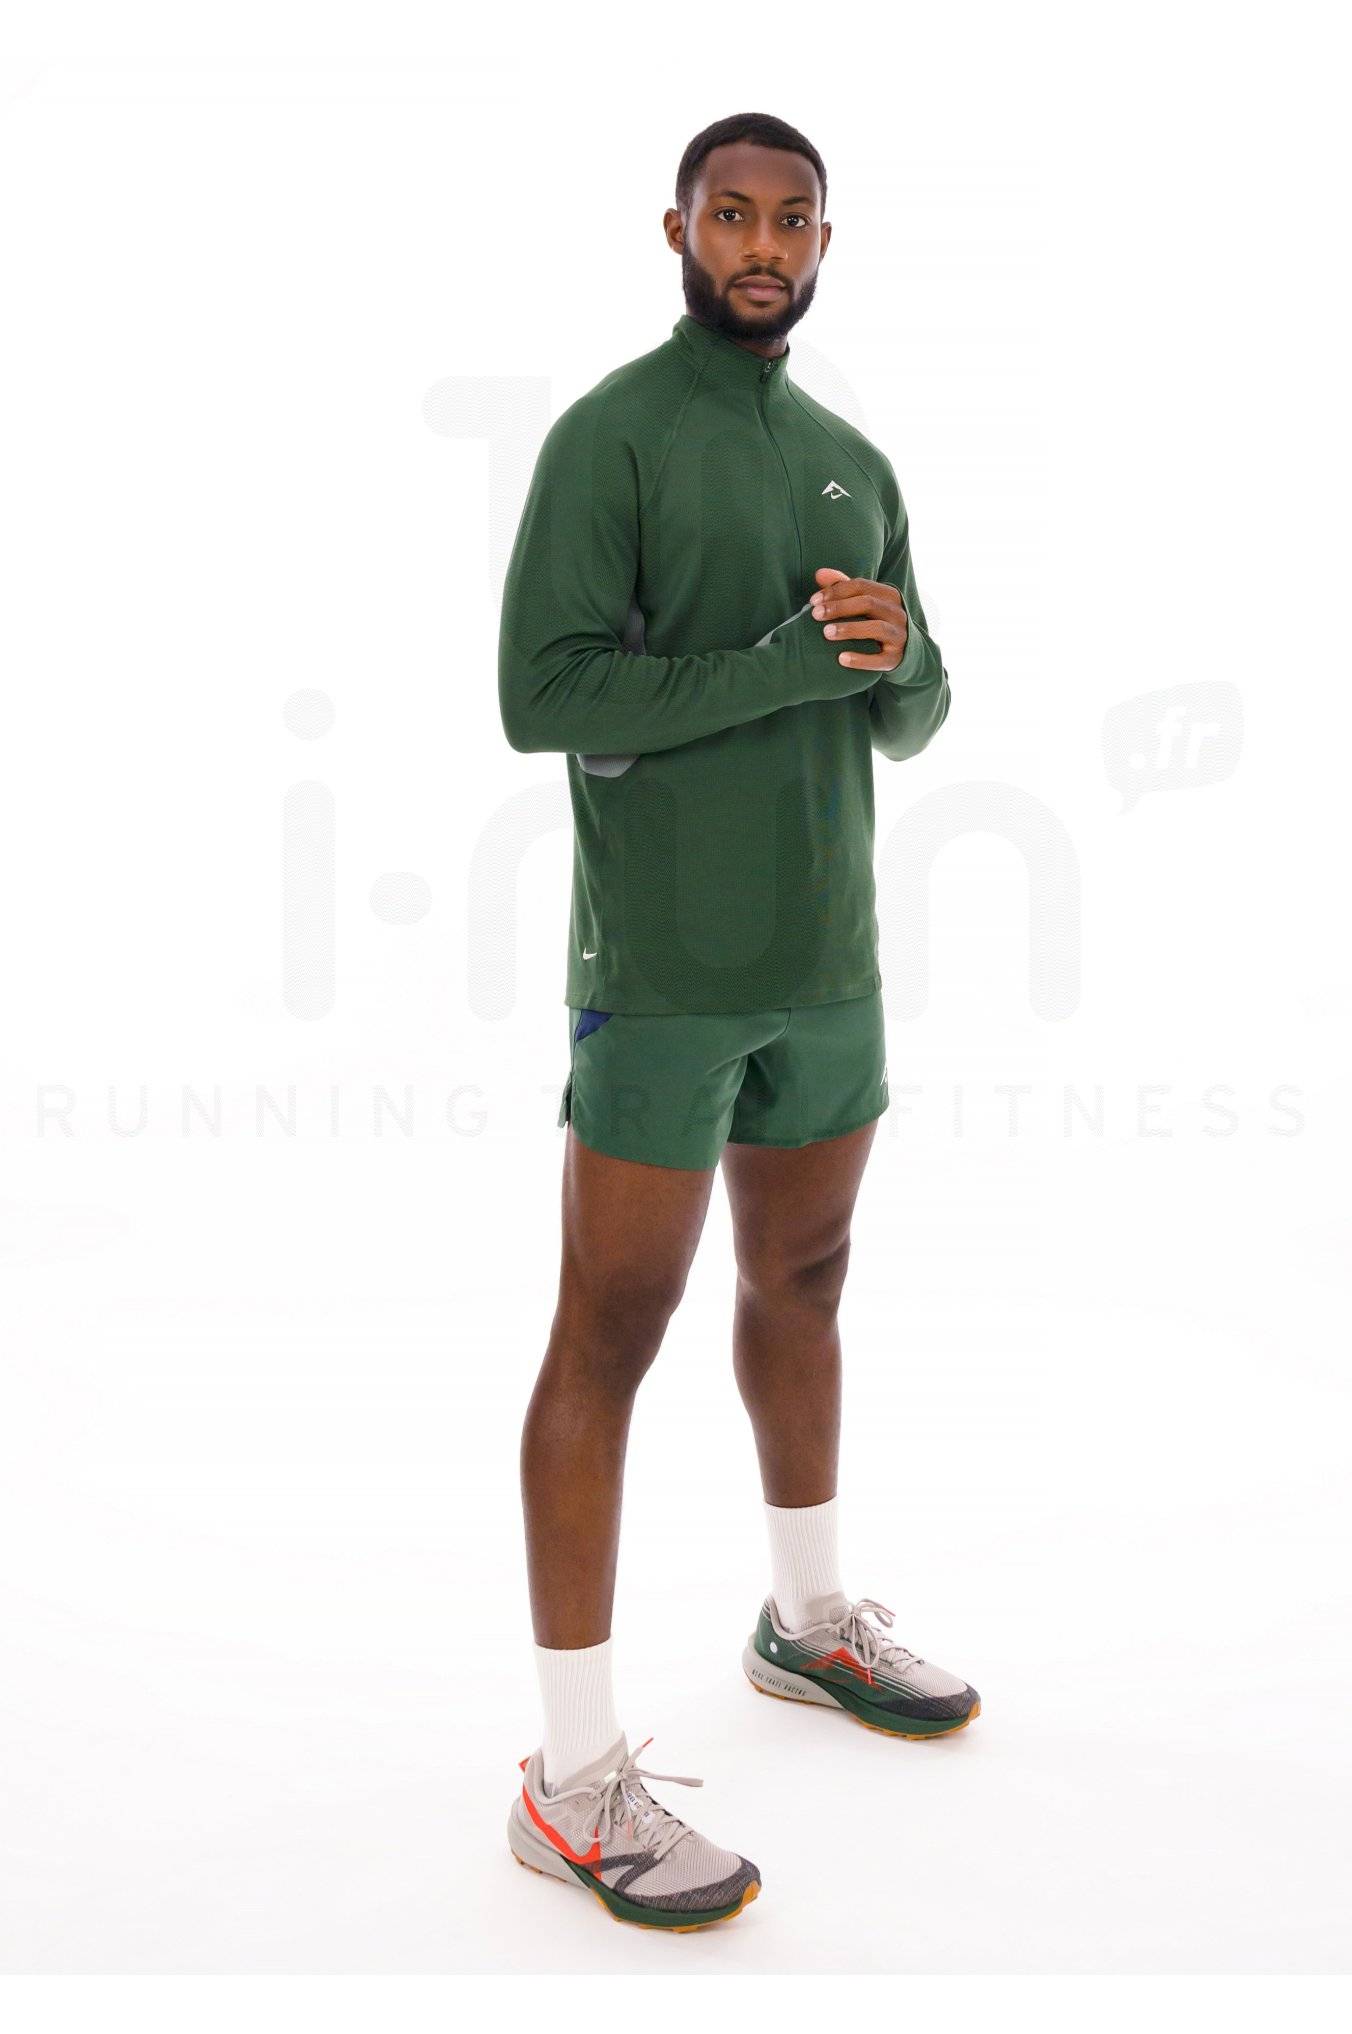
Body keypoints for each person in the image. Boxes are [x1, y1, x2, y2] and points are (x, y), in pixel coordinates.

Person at [497, 110, 974, 1933]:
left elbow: (913, 709)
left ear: (825, 243)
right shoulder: (611, 435)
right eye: (732, 214)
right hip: (662, 974)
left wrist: (900, 654)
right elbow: (542, 693)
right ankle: (570, 1779)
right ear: (679, 229)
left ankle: (807, 1617)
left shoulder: (855, 460)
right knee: (609, 1329)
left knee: (810, 1282)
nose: (762, 244)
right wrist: (780, 661)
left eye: (792, 220)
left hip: (830, 960)